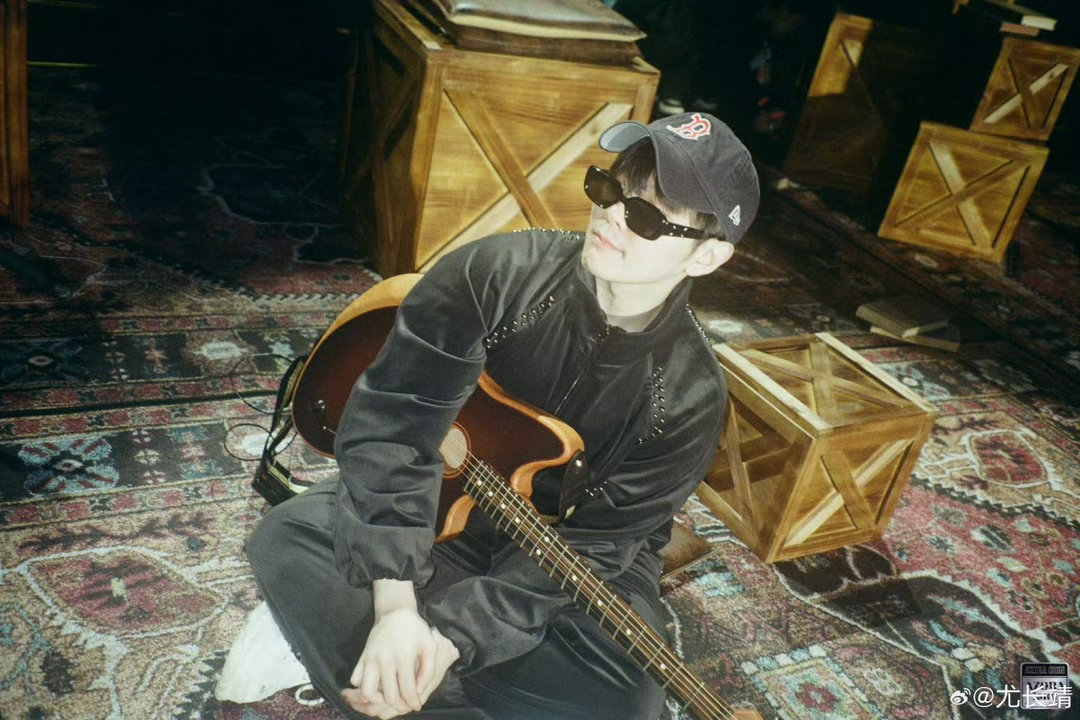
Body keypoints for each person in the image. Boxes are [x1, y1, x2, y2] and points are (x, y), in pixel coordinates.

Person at [215, 111, 760, 720]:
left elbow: (599, 544)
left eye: (649, 217)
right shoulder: (496, 273)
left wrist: (453, 636)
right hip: (438, 501)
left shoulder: (689, 397)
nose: (610, 214)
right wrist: (395, 607)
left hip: (560, 553)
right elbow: (394, 426)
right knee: (288, 537)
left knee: (624, 699)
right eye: (608, 188)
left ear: (707, 257)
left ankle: (366, 654)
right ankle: (389, 645)